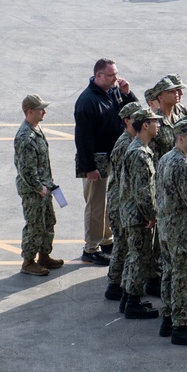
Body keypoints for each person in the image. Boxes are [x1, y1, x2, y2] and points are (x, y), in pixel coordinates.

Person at [74, 58, 137, 265]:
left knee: (110, 201)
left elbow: (134, 114)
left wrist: (127, 94)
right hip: (97, 160)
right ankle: (91, 248)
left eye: (116, 74)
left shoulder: (113, 92)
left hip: (113, 157)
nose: (116, 78)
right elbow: (82, 139)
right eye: (111, 75)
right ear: (98, 75)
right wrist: (89, 168)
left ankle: (107, 240)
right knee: (96, 204)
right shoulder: (87, 101)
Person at [155, 117, 187, 347]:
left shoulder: (166, 159)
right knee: (184, 278)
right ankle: (181, 325)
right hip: (182, 230)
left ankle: (168, 319)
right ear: (180, 138)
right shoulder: (183, 165)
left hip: (166, 228)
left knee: (169, 273)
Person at [118, 108, 163, 320]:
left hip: (135, 214)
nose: (159, 125)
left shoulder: (141, 149)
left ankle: (128, 298)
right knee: (139, 258)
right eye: (155, 122)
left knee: (134, 256)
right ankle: (133, 304)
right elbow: (143, 191)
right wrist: (151, 214)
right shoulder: (139, 154)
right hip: (138, 216)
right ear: (145, 125)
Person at [14, 94, 63, 277]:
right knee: (34, 225)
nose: (44, 111)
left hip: (44, 186)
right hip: (34, 190)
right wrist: (39, 188)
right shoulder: (26, 137)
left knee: (48, 221)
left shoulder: (35, 128)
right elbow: (26, 170)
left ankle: (44, 255)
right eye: (41, 109)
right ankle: (28, 261)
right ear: (30, 112)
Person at [104, 101, 143, 306]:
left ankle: (119, 282)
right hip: (120, 202)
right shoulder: (125, 144)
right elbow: (124, 180)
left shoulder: (131, 140)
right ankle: (114, 284)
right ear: (128, 121)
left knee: (125, 243)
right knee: (122, 242)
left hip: (123, 200)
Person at [150, 75, 187, 162]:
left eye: (176, 91)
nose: (176, 93)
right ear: (160, 97)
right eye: (171, 92)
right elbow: (152, 155)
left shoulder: (180, 116)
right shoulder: (155, 122)